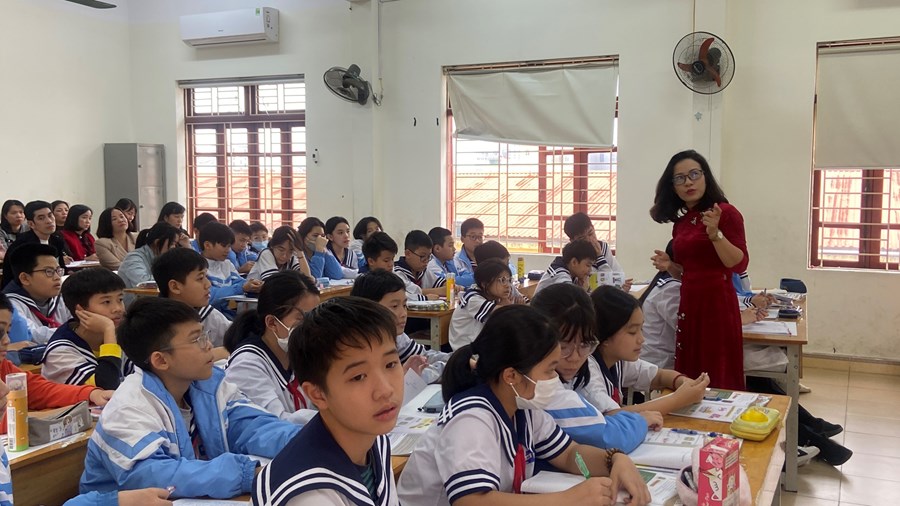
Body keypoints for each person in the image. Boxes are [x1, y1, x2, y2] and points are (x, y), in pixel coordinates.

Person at [397, 305, 651, 506]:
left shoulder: (523, 409)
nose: (555, 379)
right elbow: (471, 500)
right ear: (511, 376)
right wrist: (567, 500)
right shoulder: (471, 419)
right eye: (549, 370)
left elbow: (569, 454)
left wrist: (614, 459)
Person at [79, 297, 301, 499]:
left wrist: (304, 440)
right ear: (161, 360)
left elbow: (253, 426)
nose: (209, 345)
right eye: (197, 339)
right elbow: (154, 475)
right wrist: (247, 474)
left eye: (205, 335)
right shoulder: (128, 407)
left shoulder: (208, 384)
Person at [638, 264, 853, 466]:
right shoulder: (673, 290)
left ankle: (809, 430)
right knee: (749, 383)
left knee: (759, 379)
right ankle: (806, 438)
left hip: (686, 357)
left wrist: (744, 309)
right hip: (673, 362)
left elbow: (724, 305)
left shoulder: (687, 284)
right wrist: (740, 319)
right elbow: (697, 328)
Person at [252, 297, 403, 506]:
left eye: (390, 364)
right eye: (358, 377)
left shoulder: (373, 441)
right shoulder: (307, 496)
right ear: (318, 395)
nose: (385, 390)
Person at [649, 149, 749, 390]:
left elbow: (739, 263)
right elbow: (687, 273)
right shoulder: (682, 223)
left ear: (705, 176)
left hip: (717, 307)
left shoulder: (725, 213)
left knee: (717, 376)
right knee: (690, 375)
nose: (688, 182)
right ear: (673, 186)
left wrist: (715, 234)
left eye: (694, 174)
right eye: (680, 178)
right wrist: (670, 265)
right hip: (689, 305)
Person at [531, 284, 654, 452]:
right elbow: (607, 436)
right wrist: (641, 421)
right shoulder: (544, 388)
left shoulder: (579, 374)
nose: (575, 358)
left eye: (584, 345)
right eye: (564, 347)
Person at [0, 293, 113, 435]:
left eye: (8, 332)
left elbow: (40, 390)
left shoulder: (3, 366)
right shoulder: (62, 348)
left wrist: (91, 394)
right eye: (0, 332)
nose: (7, 340)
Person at [588, 285, 709, 416]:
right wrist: (678, 399)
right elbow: (612, 416)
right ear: (604, 335)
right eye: (632, 332)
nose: (642, 339)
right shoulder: (588, 372)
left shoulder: (617, 360)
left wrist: (684, 383)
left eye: (641, 329)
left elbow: (658, 376)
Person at [224, 271, 321, 423]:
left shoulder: (299, 353)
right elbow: (275, 425)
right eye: (301, 320)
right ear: (272, 323)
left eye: (315, 318)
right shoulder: (246, 365)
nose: (312, 327)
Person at [351, 270, 449, 383]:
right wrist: (454, 367)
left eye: (404, 305)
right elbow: (399, 381)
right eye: (394, 306)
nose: (403, 313)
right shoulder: (359, 347)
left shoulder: (396, 335)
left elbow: (424, 356)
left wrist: (458, 359)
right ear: (369, 308)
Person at [42, 268, 133, 388]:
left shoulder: (119, 334)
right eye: (106, 302)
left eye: (120, 300)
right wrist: (108, 329)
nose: (118, 309)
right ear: (81, 310)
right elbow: (106, 386)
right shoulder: (60, 352)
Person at [152, 248, 231, 347]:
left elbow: (235, 336)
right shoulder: (155, 323)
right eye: (200, 278)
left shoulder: (208, 314)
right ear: (175, 287)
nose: (208, 284)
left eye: (206, 277)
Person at [1, 243, 71, 343]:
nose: (57, 277)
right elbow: (31, 335)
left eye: (58, 270)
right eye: (49, 271)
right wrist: (75, 332)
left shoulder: (61, 299)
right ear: (25, 278)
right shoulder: (9, 305)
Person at [1, 200, 72, 289]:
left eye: (50, 215)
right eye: (41, 218)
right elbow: (22, 278)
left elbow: (61, 268)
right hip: (21, 290)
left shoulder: (56, 241)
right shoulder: (22, 245)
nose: (49, 221)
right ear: (31, 224)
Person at [449, 258, 517, 350]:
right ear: (485, 284)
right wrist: (506, 306)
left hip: (480, 346)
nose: (508, 285)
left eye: (509, 280)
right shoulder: (473, 299)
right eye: (502, 280)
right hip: (465, 351)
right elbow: (502, 313)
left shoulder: (492, 296)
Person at [197, 222, 262, 316]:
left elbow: (239, 281)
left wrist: (252, 285)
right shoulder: (198, 267)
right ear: (207, 245)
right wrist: (242, 287)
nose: (228, 250)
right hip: (210, 316)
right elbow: (211, 295)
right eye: (224, 246)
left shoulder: (227, 264)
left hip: (230, 314)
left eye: (229, 246)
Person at [564, 212, 632, 292]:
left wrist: (622, 286)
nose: (589, 240)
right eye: (582, 238)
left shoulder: (602, 247)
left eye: (591, 233)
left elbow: (617, 274)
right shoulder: (572, 255)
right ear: (572, 241)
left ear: (593, 228)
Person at [118, 222, 180, 305]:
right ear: (157, 242)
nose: (174, 248)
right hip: (135, 307)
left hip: (154, 303)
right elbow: (143, 283)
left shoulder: (162, 259)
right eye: (172, 244)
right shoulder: (133, 258)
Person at [394, 230, 445, 302]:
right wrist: (440, 291)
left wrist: (451, 286)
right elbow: (411, 293)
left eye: (429, 256)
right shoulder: (396, 273)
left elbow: (441, 282)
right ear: (408, 254)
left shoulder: (423, 271)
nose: (426, 261)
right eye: (422, 256)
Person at [247, 225, 311, 281]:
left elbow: (307, 279)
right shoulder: (266, 254)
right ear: (272, 245)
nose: (284, 256)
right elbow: (274, 283)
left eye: (290, 251)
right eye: (281, 250)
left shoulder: (292, 255)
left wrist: (300, 252)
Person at [453, 217, 483, 283]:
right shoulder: (455, 260)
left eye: (480, 237)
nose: (477, 241)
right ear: (462, 239)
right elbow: (453, 281)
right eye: (473, 237)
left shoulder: (489, 256)